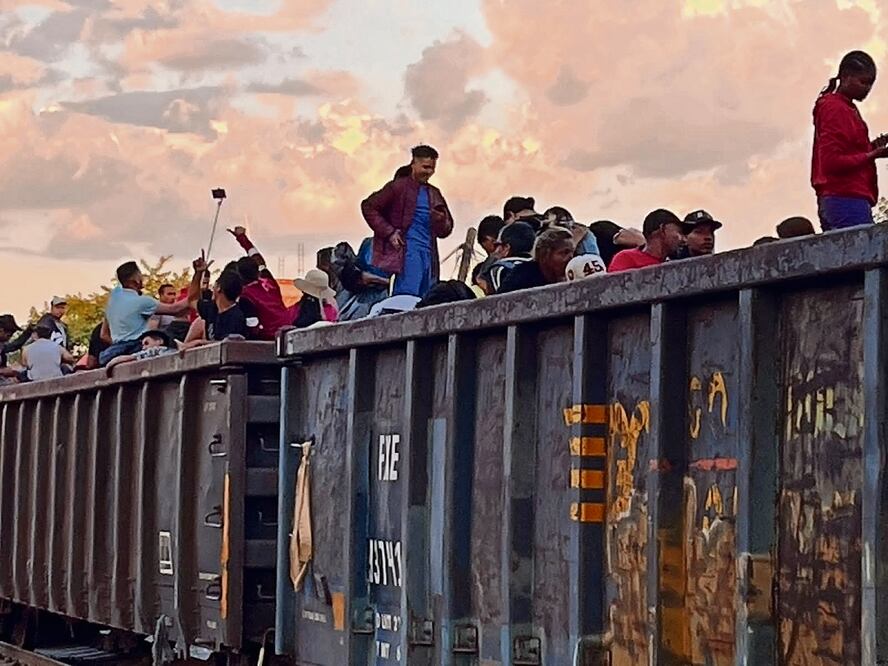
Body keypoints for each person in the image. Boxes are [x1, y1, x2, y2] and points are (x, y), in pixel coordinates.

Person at [361, 145, 454, 298]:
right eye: (425, 167)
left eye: (432, 168)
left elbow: (447, 229)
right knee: (406, 298)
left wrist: (440, 220)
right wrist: (389, 232)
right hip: (408, 252)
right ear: (414, 164)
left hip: (429, 256)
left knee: (427, 300)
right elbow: (368, 206)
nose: (429, 172)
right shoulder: (398, 187)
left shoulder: (434, 193)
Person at [812, 50, 888, 230]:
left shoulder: (846, 107)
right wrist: (872, 154)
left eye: (870, 84)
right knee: (866, 255)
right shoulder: (834, 108)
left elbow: (848, 153)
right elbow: (831, 162)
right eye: (863, 82)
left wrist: (872, 148)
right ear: (845, 77)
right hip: (844, 196)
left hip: (846, 198)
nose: (867, 89)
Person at [101, 259, 200, 365]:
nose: (142, 278)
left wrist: (121, 349)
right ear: (135, 279)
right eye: (140, 275)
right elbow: (176, 309)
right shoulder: (142, 302)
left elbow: (103, 335)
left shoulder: (113, 300)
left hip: (114, 351)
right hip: (137, 346)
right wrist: (198, 275)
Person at [228, 226, 292, 339]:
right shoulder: (269, 281)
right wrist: (243, 239)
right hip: (288, 329)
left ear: (240, 277)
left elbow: (253, 326)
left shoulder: (245, 296)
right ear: (257, 272)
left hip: (271, 338)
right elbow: (259, 260)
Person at [179, 269, 251, 350]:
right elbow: (192, 300)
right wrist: (198, 273)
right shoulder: (212, 308)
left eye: (215, 284)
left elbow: (228, 345)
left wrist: (199, 342)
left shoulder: (235, 317)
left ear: (219, 288)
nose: (212, 288)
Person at [608, 209, 691, 273]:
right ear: (662, 229)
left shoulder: (673, 264)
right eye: (679, 232)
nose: (684, 240)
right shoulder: (626, 258)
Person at [499, 227, 575, 293]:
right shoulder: (521, 277)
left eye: (573, 252)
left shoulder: (573, 275)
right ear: (544, 255)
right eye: (565, 252)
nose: (571, 257)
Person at [484, 221, 536, 294]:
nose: (495, 251)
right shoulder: (539, 266)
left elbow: (497, 300)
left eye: (497, 245)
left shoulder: (499, 269)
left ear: (506, 247)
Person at [105, 330, 175, 371]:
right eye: (143, 345)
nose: (144, 348)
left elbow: (135, 357)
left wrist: (113, 361)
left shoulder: (160, 350)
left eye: (146, 343)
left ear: (159, 341)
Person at [0, 315, 31, 383]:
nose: (9, 338)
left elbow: (14, 346)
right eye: (9, 335)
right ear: (1, 330)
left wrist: (28, 332)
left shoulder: (1, 345)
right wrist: (3, 371)